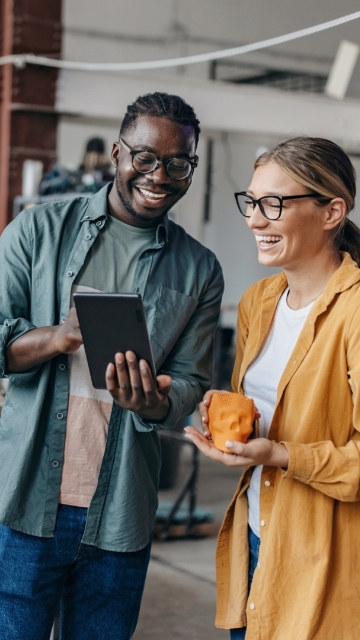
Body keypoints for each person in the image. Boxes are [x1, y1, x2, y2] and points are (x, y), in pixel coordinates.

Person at [0, 92, 224, 640]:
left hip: (119, 513)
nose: (159, 175)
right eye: (145, 157)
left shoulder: (200, 269)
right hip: (24, 503)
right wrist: (58, 337)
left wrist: (154, 402)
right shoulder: (38, 231)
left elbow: (192, 382)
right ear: (119, 153)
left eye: (179, 163)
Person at [185, 137, 360, 639]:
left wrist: (280, 453)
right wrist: (227, 414)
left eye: (274, 204)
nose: (255, 220)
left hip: (322, 558)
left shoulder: (353, 312)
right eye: (253, 202)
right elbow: (274, 410)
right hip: (256, 538)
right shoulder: (259, 301)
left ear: (332, 212)